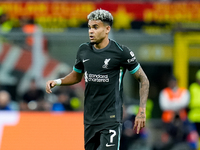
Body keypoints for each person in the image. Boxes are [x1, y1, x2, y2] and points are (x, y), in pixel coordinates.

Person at [46, 9, 149, 150]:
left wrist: (141, 111)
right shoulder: (83, 50)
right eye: (89, 27)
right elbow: (76, 76)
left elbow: (143, 80)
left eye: (95, 27)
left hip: (111, 118)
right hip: (90, 118)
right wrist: (58, 81)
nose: (90, 31)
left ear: (107, 29)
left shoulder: (121, 52)